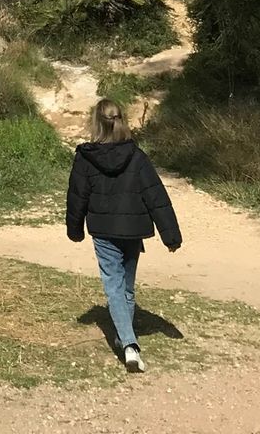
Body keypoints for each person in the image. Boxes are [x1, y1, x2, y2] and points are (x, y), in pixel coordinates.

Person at [66, 96, 182, 373]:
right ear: (121, 121)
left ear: (96, 123)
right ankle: (124, 338)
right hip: (133, 231)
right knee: (125, 289)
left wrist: (75, 229)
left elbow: (77, 196)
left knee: (115, 287)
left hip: (104, 232)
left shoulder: (85, 157)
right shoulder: (137, 156)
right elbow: (156, 196)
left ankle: (129, 345)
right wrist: (171, 235)